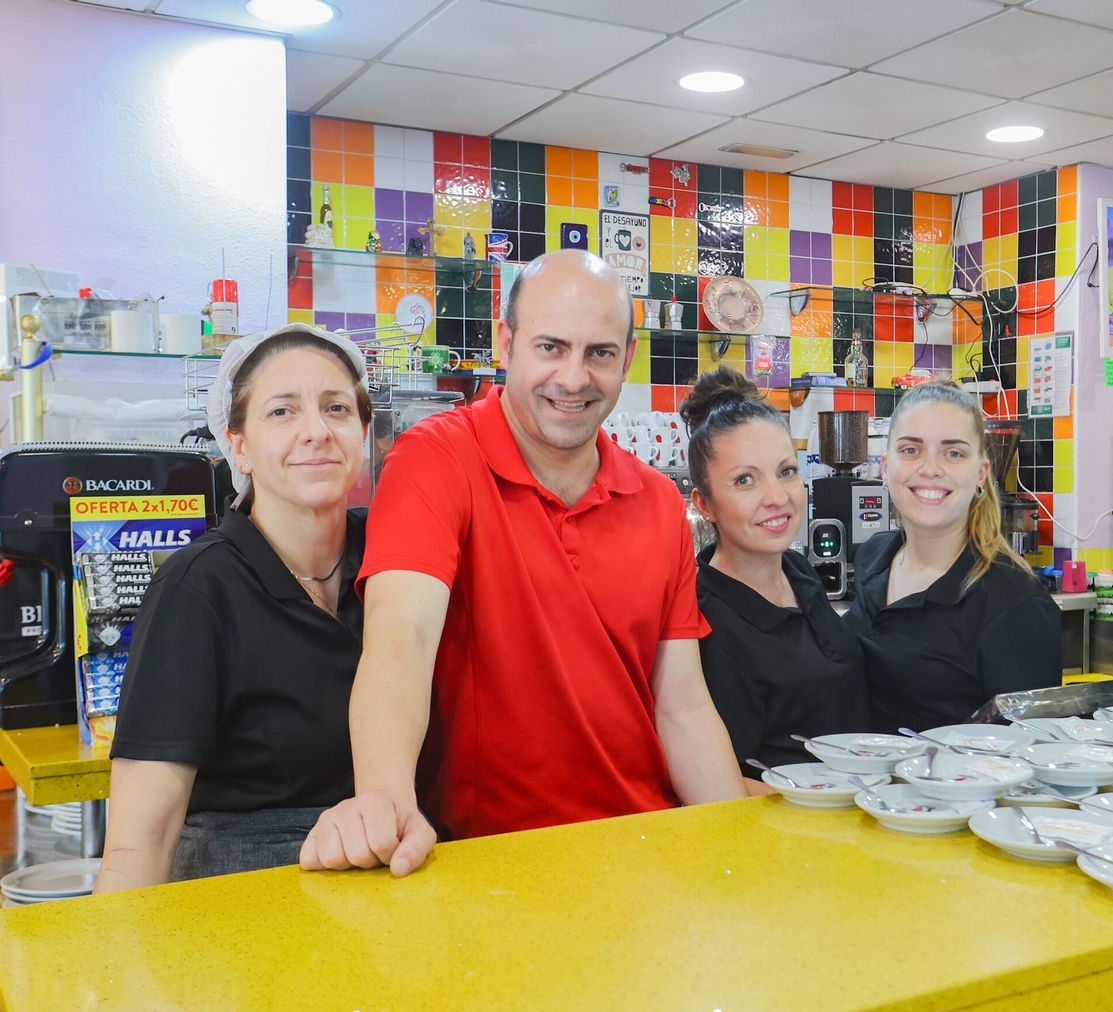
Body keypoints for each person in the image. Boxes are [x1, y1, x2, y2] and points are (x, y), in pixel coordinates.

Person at [301, 250, 746, 877]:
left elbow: (683, 708)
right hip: (493, 863)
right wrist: (385, 799)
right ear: (506, 343)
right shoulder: (435, 460)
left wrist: (737, 851)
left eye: (600, 353)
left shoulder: (655, 502)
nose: (573, 378)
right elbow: (401, 639)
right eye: (550, 347)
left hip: (649, 851)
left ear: (627, 356)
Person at [94, 323, 371, 890]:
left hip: (387, 877)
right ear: (238, 446)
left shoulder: (394, 560)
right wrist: (114, 971)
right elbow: (140, 838)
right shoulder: (198, 589)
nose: (316, 431)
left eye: (337, 408)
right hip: (242, 894)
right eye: (282, 413)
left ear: (363, 431)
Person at [680, 368, 869, 784]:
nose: (777, 497)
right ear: (705, 504)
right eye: (745, 480)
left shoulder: (799, 572)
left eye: (786, 472)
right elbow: (726, 782)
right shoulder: (705, 619)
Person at [846, 381, 1060, 734]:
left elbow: (1028, 757)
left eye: (953, 453)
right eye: (911, 450)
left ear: (981, 473)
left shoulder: (1016, 604)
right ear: (884, 468)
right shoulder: (873, 558)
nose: (930, 468)